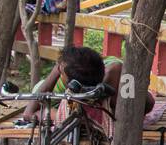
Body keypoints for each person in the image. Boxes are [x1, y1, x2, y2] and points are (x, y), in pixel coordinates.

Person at [18, 45, 155, 132]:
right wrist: (56, 71)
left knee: (116, 69)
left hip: (105, 82)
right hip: (53, 94)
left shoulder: (112, 69)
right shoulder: (60, 98)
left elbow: (148, 104)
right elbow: (29, 113)